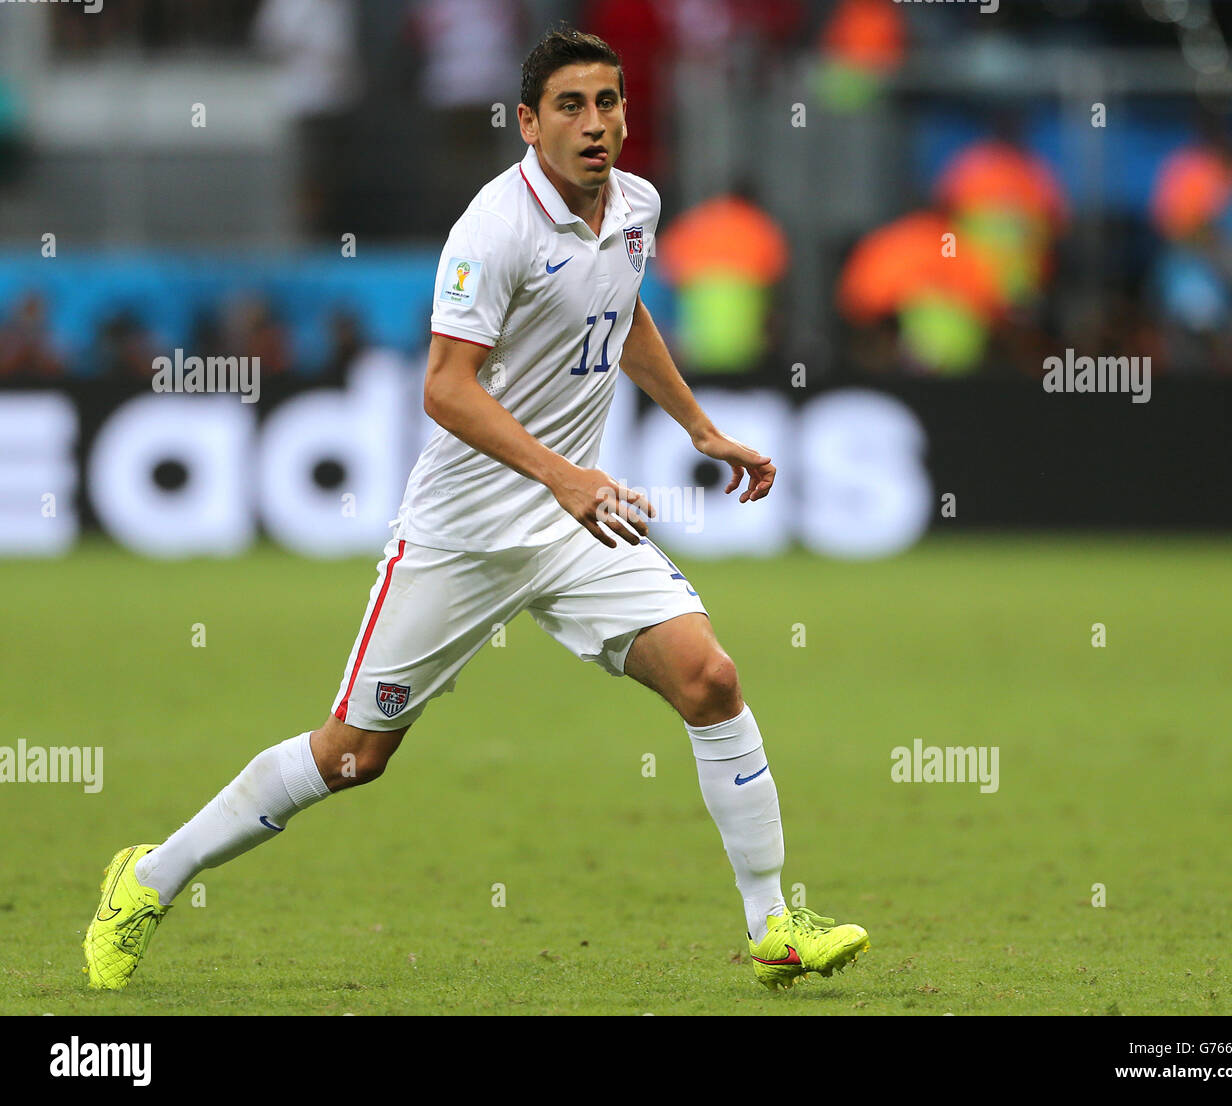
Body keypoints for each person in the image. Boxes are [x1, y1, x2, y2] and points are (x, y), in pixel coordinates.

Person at [83, 26, 868, 994]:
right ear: (527, 123)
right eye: (572, 106)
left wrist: (698, 426)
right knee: (354, 755)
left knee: (709, 679)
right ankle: (150, 876)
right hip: (462, 532)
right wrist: (566, 474)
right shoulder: (492, 229)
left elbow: (620, 312)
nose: (596, 124)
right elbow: (445, 388)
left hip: (573, 527)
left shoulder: (636, 205)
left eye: (610, 102)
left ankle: (773, 923)